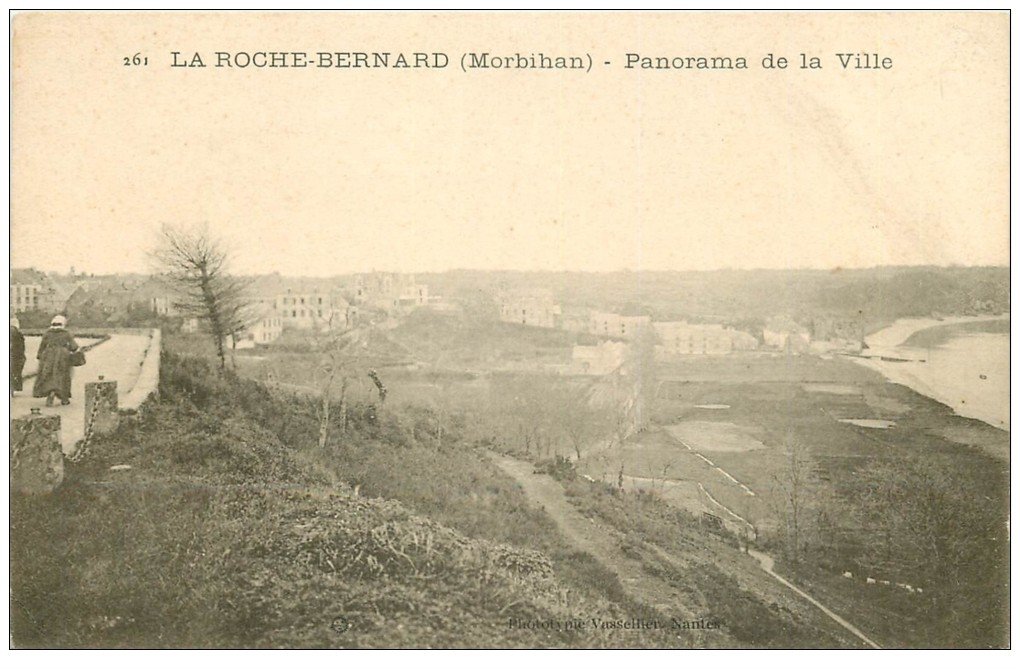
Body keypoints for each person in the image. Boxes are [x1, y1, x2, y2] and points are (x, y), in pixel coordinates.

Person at [33, 314, 80, 406]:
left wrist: (40, 356)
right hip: (63, 356)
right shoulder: (66, 333)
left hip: (48, 355)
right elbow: (73, 347)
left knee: (48, 375)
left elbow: (42, 346)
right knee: (64, 376)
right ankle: (64, 398)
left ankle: (50, 392)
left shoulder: (47, 333)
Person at [10, 317, 25, 394]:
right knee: (15, 371)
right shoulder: (18, 333)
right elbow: (21, 346)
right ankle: (12, 388)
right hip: (16, 355)